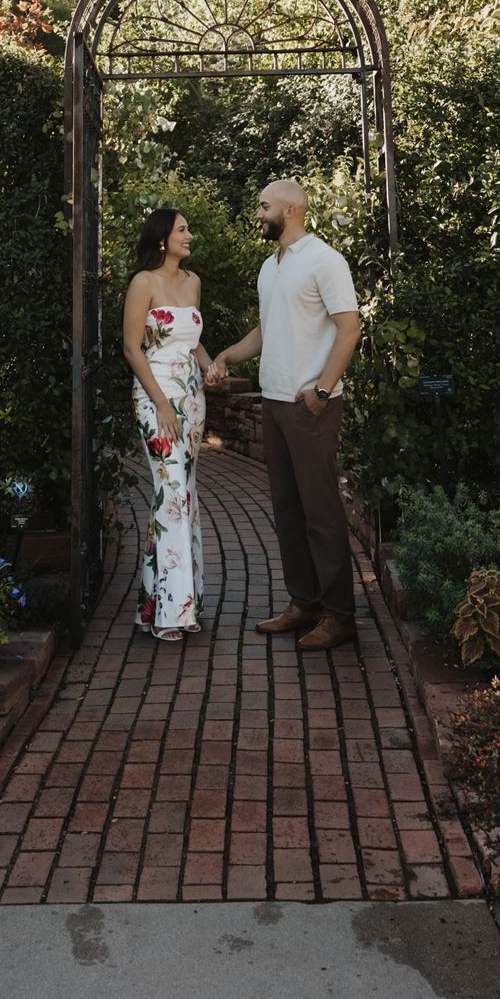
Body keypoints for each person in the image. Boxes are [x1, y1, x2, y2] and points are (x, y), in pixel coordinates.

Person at [209, 179, 361, 651]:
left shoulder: (325, 260)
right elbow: (264, 328)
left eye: (263, 205)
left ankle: (340, 615)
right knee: (288, 512)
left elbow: (350, 328)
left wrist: (321, 389)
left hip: (309, 406)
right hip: (272, 402)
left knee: (321, 513)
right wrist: (228, 356)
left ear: (291, 210)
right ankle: (305, 603)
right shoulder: (269, 267)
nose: (258, 213)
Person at [122, 206, 223, 641]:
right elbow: (131, 349)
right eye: (184, 229)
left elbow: (192, 342)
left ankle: (154, 604)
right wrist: (161, 403)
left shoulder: (192, 282)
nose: (191, 235)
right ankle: (173, 613)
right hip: (154, 397)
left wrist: (209, 365)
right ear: (163, 238)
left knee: (180, 496)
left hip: (192, 401)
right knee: (173, 496)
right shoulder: (143, 283)